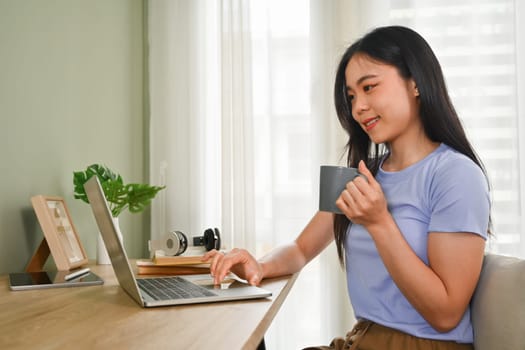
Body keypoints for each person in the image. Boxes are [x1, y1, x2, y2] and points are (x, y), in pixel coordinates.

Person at [203, 25, 491, 350]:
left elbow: (446, 314)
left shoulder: (457, 175)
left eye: (369, 88)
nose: (358, 108)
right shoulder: (361, 175)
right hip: (360, 338)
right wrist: (260, 265)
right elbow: (300, 249)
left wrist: (380, 222)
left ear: (415, 83)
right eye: (352, 96)